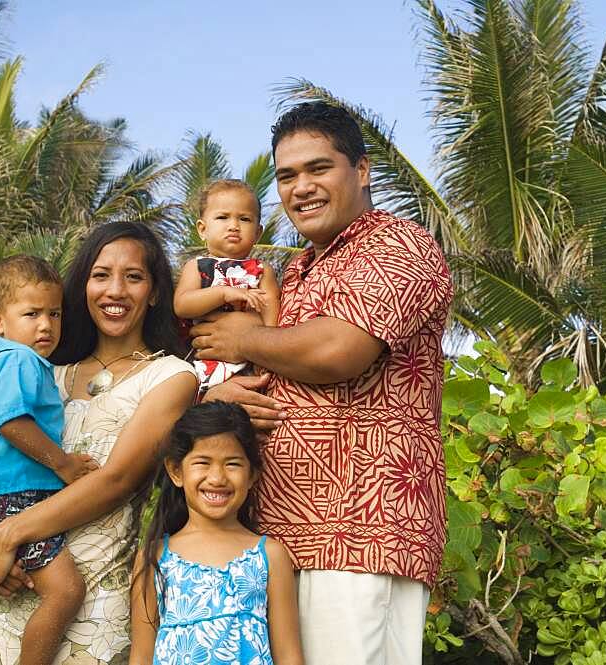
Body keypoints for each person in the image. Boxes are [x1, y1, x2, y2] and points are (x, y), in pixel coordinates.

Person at [191, 102, 453, 665]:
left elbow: (341, 350)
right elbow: (271, 372)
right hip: (278, 536)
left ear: (361, 170)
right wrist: (223, 395)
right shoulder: (298, 269)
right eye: (287, 176)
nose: (300, 188)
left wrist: (242, 340)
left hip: (362, 533)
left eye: (318, 169)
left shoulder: (397, 245)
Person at [0, 222, 199, 665]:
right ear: (82, 286)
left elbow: (117, 481)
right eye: (100, 275)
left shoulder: (172, 377)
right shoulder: (46, 372)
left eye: (134, 277)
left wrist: (5, 535)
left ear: (156, 292)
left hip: (93, 603)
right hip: (11, 584)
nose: (115, 290)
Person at [0, 254, 99, 665]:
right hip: (6, 497)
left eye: (54, 313)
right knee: (66, 591)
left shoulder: (9, 362)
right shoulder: (20, 360)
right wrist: (63, 463)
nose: (46, 325)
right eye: (31, 313)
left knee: (16, 579)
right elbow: (11, 423)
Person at [129, 401, 303, 665]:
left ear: (252, 475)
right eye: (202, 462)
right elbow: (141, 656)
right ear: (176, 471)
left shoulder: (269, 555)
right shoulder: (155, 556)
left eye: (232, 464)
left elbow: (289, 656)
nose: (217, 478)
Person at [173, 179, 280, 392]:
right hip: (206, 361)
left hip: (251, 361)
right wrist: (222, 293)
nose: (233, 226)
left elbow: (271, 310)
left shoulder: (262, 269)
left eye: (244, 219)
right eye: (222, 217)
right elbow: (182, 305)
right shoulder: (197, 267)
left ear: (258, 233)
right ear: (202, 229)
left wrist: (268, 351)